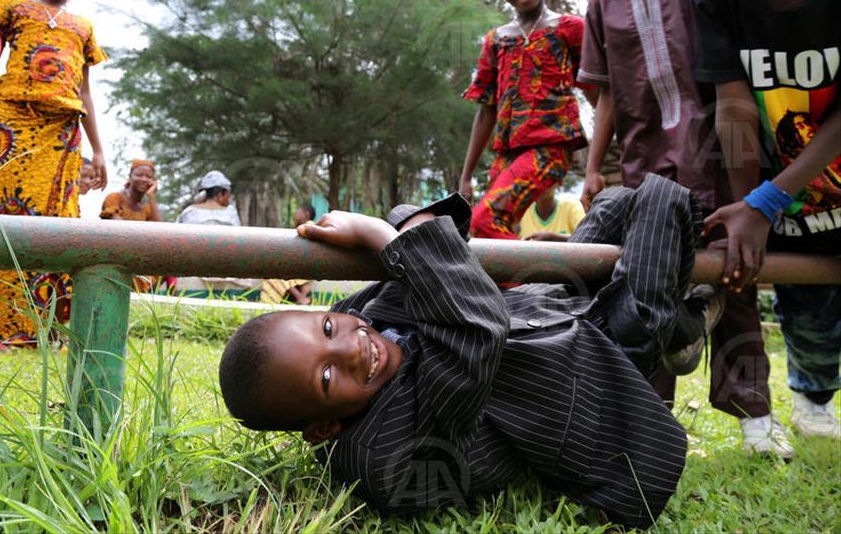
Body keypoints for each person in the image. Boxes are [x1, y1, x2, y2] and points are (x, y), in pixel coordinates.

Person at [220, 175, 720, 528]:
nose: (352, 347)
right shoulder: (388, 453)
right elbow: (476, 329)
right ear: (324, 428)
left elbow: (424, 266)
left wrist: (402, 225)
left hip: (554, 306)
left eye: (328, 326)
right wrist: (380, 234)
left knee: (614, 201)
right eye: (326, 378)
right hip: (603, 367)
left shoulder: (362, 331)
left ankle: (680, 327)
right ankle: (682, 328)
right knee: (661, 198)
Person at [578, 0, 785, 457]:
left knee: (734, 274)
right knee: (647, 284)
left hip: (718, 150)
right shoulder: (602, 3)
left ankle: (754, 417)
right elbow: (604, 97)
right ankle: (650, 421)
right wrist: (597, 167)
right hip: (648, 165)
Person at [687, 0, 841, 439]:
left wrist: (768, 199)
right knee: (809, 315)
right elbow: (734, 106)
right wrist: (750, 208)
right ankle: (813, 396)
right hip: (797, 208)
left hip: (802, 188)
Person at [0, 0, 107, 347]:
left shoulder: (83, 28)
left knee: (55, 225)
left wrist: (98, 151)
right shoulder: (10, 8)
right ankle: (1, 326)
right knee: (5, 218)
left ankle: (39, 329)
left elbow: (85, 91)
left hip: (61, 135)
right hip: (11, 125)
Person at [459, 0, 598, 240]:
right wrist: (466, 176)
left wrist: (596, 165)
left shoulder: (569, 29)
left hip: (550, 148)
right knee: (482, 232)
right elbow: (487, 111)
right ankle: (523, 285)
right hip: (507, 152)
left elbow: (594, 93)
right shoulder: (496, 40)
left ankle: (537, 285)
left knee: (485, 221)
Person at [100, 159, 163, 292]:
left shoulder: (146, 208)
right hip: (114, 252)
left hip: (136, 255)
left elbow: (161, 232)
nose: (143, 179)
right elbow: (120, 228)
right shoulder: (115, 198)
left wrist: (151, 197)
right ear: (130, 177)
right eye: (139, 175)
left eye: (148, 177)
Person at [260, 203, 316, 305]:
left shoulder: (309, 226)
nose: (295, 214)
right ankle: (303, 297)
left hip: (304, 261)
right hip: (303, 261)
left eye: (297, 212)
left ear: (306, 214)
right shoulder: (304, 227)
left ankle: (300, 298)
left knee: (276, 274)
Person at [518, 183, 585, 241]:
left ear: (558, 183)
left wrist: (554, 238)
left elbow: (586, 237)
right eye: (536, 179)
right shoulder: (520, 211)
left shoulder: (572, 207)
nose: (541, 184)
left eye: (547, 178)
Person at [176, 170, 241, 226]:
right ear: (220, 195)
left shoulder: (188, 212)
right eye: (228, 195)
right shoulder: (230, 212)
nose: (228, 199)